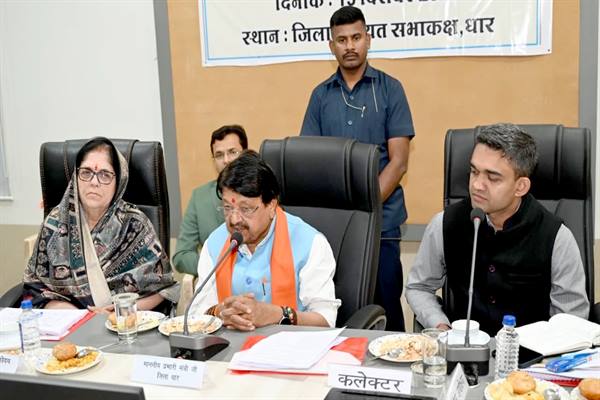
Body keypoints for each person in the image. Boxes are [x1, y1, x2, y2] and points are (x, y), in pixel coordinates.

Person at [405, 123, 590, 334]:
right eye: (474, 172)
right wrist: (440, 325)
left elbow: (570, 320)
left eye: (493, 178)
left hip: (530, 353)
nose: (477, 185)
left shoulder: (556, 237)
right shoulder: (444, 224)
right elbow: (419, 287)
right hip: (463, 349)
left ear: (521, 186)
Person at [300, 6, 414, 331]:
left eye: (356, 37)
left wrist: (366, 207)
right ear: (331, 45)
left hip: (383, 226)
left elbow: (399, 161)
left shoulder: (390, 89)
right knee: (340, 313)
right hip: (334, 230)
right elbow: (312, 161)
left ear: (368, 39)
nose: (350, 46)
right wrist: (347, 214)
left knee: (386, 312)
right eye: (342, 40)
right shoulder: (320, 96)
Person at [189, 151, 341, 330]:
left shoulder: (310, 243)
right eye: (227, 208)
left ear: (271, 206)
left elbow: (326, 321)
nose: (234, 219)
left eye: (246, 209)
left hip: (291, 344)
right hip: (230, 345)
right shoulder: (215, 243)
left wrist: (277, 315)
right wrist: (221, 312)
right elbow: (197, 313)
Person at [23, 137, 178, 312]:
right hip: (72, 321)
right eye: (86, 172)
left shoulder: (135, 223)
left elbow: (164, 289)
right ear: (76, 176)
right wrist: (81, 316)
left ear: (119, 181)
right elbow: (37, 290)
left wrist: (119, 310)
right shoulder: (55, 223)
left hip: (126, 319)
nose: (94, 182)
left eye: (105, 174)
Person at [173, 125, 248, 276]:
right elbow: (181, 256)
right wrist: (215, 265)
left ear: (245, 154)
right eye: (219, 155)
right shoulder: (200, 197)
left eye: (232, 152)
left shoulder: (260, 194)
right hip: (215, 279)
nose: (226, 160)